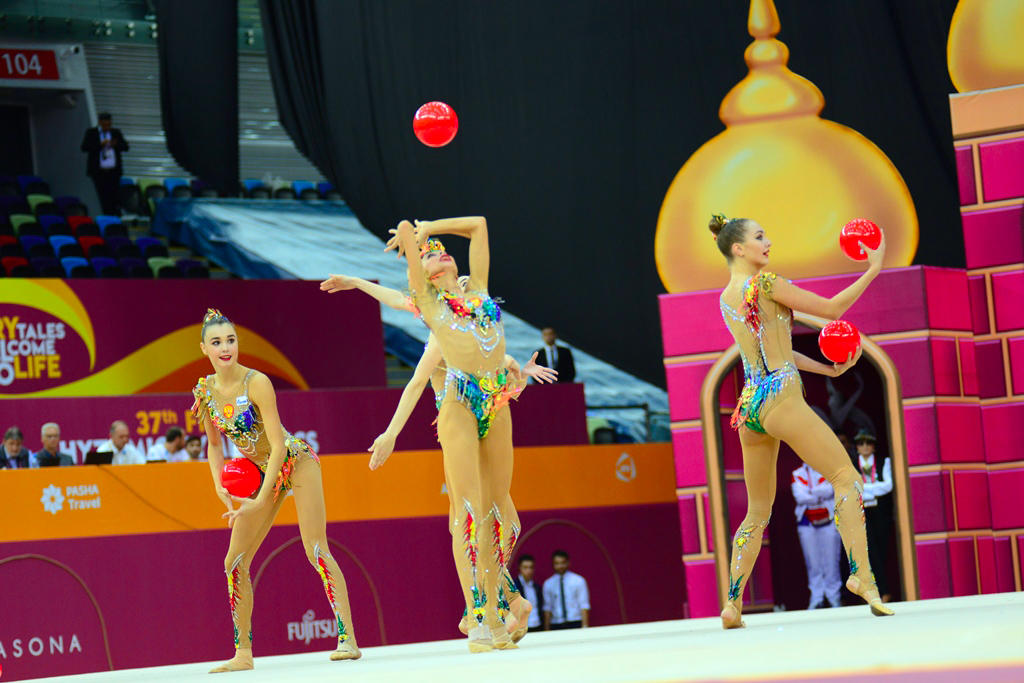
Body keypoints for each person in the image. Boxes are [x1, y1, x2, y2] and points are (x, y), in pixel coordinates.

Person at [320, 272, 556, 644]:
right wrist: (356, 282)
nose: (463, 286)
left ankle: (495, 605)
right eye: (456, 283)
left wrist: (516, 372)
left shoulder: (471, 326)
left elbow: (494, 361)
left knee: (495, 523)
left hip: (480, 427)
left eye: (467, 283)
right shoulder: (441, 328)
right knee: (475, 522)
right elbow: (402, 312)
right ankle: (493, 607)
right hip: (458, 431)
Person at [710, 213, 894, 629]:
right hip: (781, 398)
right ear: (738, 248)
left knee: (757, 511)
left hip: (750, 405)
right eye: (760, 236)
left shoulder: (726, 298)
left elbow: (776, 346)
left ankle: (732, 604)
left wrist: (826, 371)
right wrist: (873, 269)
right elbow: (831, 310)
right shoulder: (769, 284)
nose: (768, 241)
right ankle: (861, 576)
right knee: (847, 478)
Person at [380, 216, 524, 652]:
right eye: (428, 253)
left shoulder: (478, 289)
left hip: (495, 400)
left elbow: (480, 226)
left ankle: (494, 607)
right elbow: (405, 240)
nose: (437, 251)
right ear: (419, 271)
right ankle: (481, 618)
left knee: (502, 518)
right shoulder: (428, 303)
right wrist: (411, 236)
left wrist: (429, 227)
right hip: (458, 403)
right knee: (469, 512)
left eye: (441, 248)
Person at [192, 309, 360, 672]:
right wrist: (221, 487)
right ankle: (243, 653)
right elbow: (214, 447)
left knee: (315, 548)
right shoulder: (204, 391)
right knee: (233, 562)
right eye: (217, 342)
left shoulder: (257, 382)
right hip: (256, 471)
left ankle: (347, 638)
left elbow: (279, 447)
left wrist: (256, 501)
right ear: (204, 348)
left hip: (294, 462)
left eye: (231, 340)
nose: (225, 348)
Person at [791, 461, 841, 609]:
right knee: (813, 562)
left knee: (832, 560)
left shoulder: (829, 469)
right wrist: (819, 494)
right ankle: (817, 597)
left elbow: (830, 490)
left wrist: (811, 492)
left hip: (829, 520)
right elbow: (800, 497)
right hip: (807, 523)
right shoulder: (797, 473)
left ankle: (834, 597)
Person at [855, 429, 894, 602]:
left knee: (883, 548)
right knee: (871, 551)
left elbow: (888, 486)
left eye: (868, 443)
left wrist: (866, 489)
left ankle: (884, 588)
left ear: (873, 446)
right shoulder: (852, 464)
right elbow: (854, 487)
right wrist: (873, 489)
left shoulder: (883, 462)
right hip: (863, 512)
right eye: (861, 443)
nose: (864, 447)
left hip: (880, 512)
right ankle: (881, 591)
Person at [80, 112, 129, 215]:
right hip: (99, 172)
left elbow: (125, 147)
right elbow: (84, 147)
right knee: (103, 196)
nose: (107, 127)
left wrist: (115, 144)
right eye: (105, 125)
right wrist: (99, 145)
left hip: (113, 171)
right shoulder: (92, 133)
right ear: (100, 123)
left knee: (114, 196)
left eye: (109, 125)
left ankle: (115, 216)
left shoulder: (115, 132)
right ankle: (107, 216)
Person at [542, 550, 590, 630]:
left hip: (575, 622)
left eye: (563, 563)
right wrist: (547, 630)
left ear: (568, 563)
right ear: (553, 564)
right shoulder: (548, 584)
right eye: (557, 563)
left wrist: (585, 627)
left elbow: (584, 605)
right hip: (556, 624)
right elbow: (547, 608)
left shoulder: (578, 580)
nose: (560, 566)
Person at [513, 555, 544, 632]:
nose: (528, 571)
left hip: (537, 626)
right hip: (520, 628)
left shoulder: (537, 587)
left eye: (531, 567)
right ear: (519, 568)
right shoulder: (513, 587)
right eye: (525, 567)